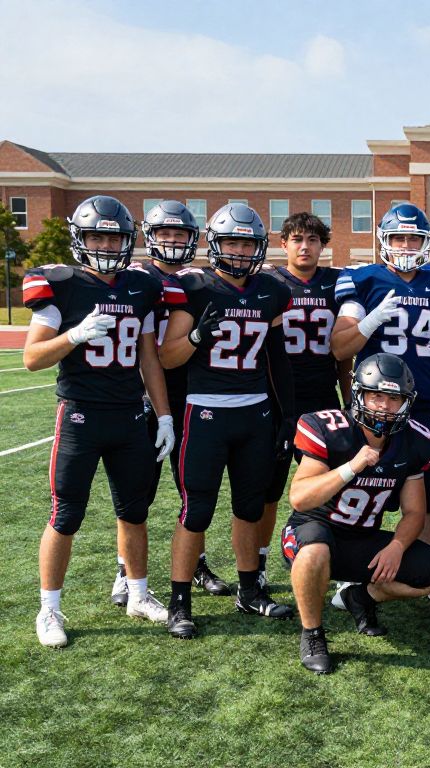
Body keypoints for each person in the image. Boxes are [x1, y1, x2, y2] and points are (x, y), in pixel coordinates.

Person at [23, 195, 173, 646]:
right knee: (66, 513)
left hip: (130, 416)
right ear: (80, 239)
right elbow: (32, 358)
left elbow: (149, 359)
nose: (106, 244)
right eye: (97, 236)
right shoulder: (63, 285)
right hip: (81, 416)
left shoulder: (141, 286)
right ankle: (49, 610)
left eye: (114, 236)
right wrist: (74, 335)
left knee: (135, 511)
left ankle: (139, 594)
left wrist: (163, 415)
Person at [159, 202, 296, 638]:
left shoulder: (271, 291)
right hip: (204, 412)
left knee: (249, 507)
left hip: (254, 411)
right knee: (195, 510)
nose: (239, 251)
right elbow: (167, 355)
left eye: (247, 243)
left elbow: (277, 359)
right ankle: (180, 601)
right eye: (232, 242)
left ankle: (249, 589)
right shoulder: (194, 287)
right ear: (215, 244)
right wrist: (198, 336)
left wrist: (287, 415)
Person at [332, 203, 430, 607]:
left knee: (426, 492)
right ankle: (349, 572)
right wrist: (370, 321)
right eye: (398, 238)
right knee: (360, 487)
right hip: (374, 405)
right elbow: (340, 347)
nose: (406, 245)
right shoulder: (361, 278)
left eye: (413, 238)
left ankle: (427, 570)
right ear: (383, 241)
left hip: (425, 404)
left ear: (427, 242)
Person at [282, 353, 430, 674]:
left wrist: (397, 546)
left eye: (393, 398)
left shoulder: (414, 440)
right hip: (312, 530)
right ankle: (313, 633)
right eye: (376, 396)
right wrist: (351, 467)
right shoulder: (328, 428)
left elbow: (415, 512)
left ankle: (360, 597)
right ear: (358, 394)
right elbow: (300, 499)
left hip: (362, 537)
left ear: (406, 402)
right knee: (315, 551)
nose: (384, 406)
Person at [129, 200, 230, 604]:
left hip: (190, 393)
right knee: (138, 490)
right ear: (150, 237)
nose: (172, 241)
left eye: (180, 234)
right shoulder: (133, 277)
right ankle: (126, 572)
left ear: (193, 239)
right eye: (165, 233)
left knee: (194, 489)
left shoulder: (200, 280)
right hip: (141, 395)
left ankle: (197, 562)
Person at [261, 212, 344, 592]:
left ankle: (340, 559)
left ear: (323, 246)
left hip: (323, 395)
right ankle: (259, 561)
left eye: (312, 240)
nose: (305, 246)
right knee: (269, 486)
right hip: (277, 396)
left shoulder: (336, 281)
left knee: (333, 484)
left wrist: (346, 397)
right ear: (284, 244)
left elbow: (344, 352)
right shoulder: (268, 281)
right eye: (297, 239)